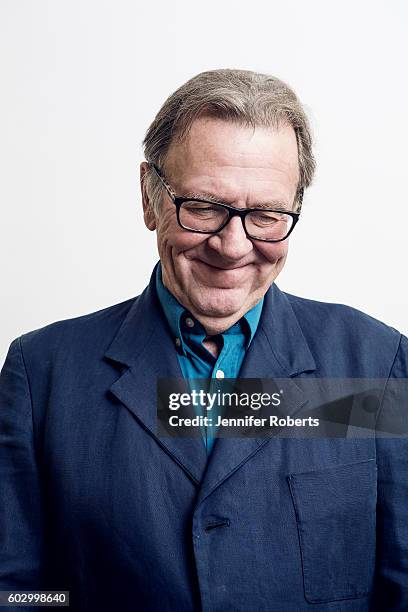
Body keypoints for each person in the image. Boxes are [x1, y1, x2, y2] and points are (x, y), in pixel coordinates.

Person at [0, 69, 407, 612]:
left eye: (265, 215)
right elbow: (21, 592)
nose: (233, 246)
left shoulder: (375, 365)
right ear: (150, 196)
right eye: (205, 207)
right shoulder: (40, 374)